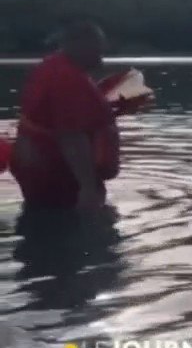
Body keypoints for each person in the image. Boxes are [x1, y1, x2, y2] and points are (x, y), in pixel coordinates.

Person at [5, 21, 148, 211]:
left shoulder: (53, 67)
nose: (101, 55)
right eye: (97, 48)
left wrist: (109, 105)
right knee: (76, 218)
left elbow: (62, 114)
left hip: (34, 165)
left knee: (42, 214)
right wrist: (87, 188)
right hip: (55, 171)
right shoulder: (66, 78)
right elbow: (71, 136)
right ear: (78, 45)